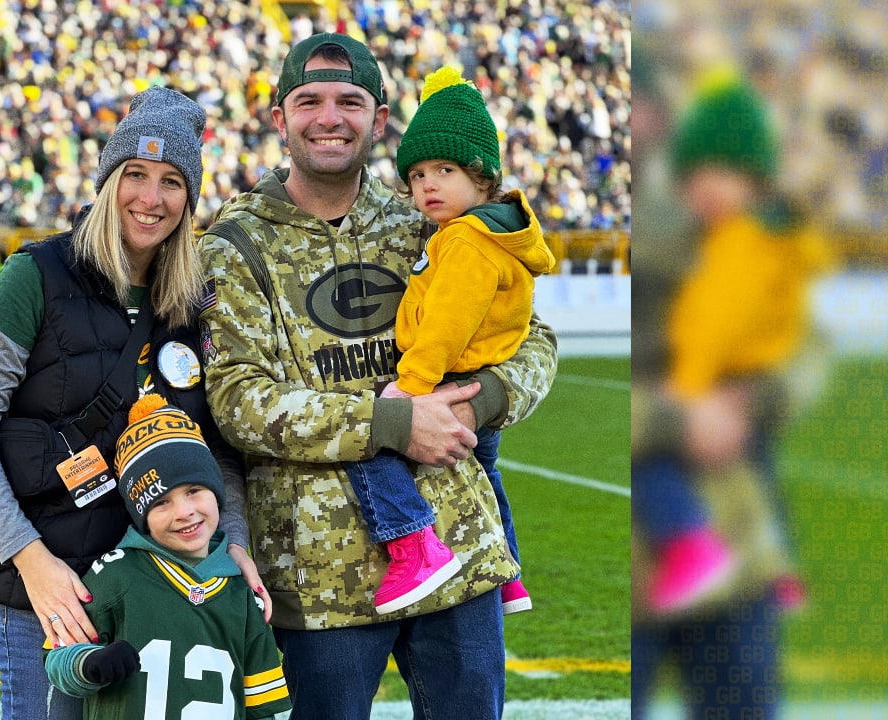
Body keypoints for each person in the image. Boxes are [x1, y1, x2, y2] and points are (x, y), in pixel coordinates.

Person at [197, 33, 557, 719]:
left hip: (457, 552)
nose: (329, 117)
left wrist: (479, 405)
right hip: (317, 577)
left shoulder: (430, 220)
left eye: (349, 102)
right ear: (279, 118)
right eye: (309, 101)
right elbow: (237, 401)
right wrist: (391, 422)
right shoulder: (234, 242)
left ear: (380, 119)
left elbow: (532, 338)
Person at [0, 86, 265, 720]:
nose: (152, 197)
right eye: (135, 175)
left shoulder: (191, 302)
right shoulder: (35, 276)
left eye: (173, 181)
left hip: (167, 592)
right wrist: (31, 562)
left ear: (189, 199)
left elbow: (215, 450)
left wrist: (236, 546)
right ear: (106, 180)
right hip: (56, 593)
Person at [630, 70, 829, 718]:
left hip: (735, 545)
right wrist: (673, 421)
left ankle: (780, 561)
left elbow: (803, 341)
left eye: (647, 105)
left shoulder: (732, 236)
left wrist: (755, 399)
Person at [340, 65, 555, 615]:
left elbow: (446, 323)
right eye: (415, 176)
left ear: (482, 178)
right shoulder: (488, 233)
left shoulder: (464, 242)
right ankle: (508, 571)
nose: (426, 185)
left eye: (443, 169)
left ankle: (414, 546)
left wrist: (408, 388)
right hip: (475, 378)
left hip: (446, 376)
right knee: (486, 471)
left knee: (369, 443)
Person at [44, 394, 292, 719]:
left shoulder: (240, 591)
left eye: (193, 491)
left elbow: (263, 708)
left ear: (216, 491)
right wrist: (89, 664)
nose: (184, 512)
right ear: (140, 513)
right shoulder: (116, 574)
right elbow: (56, 659)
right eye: (161, 502)